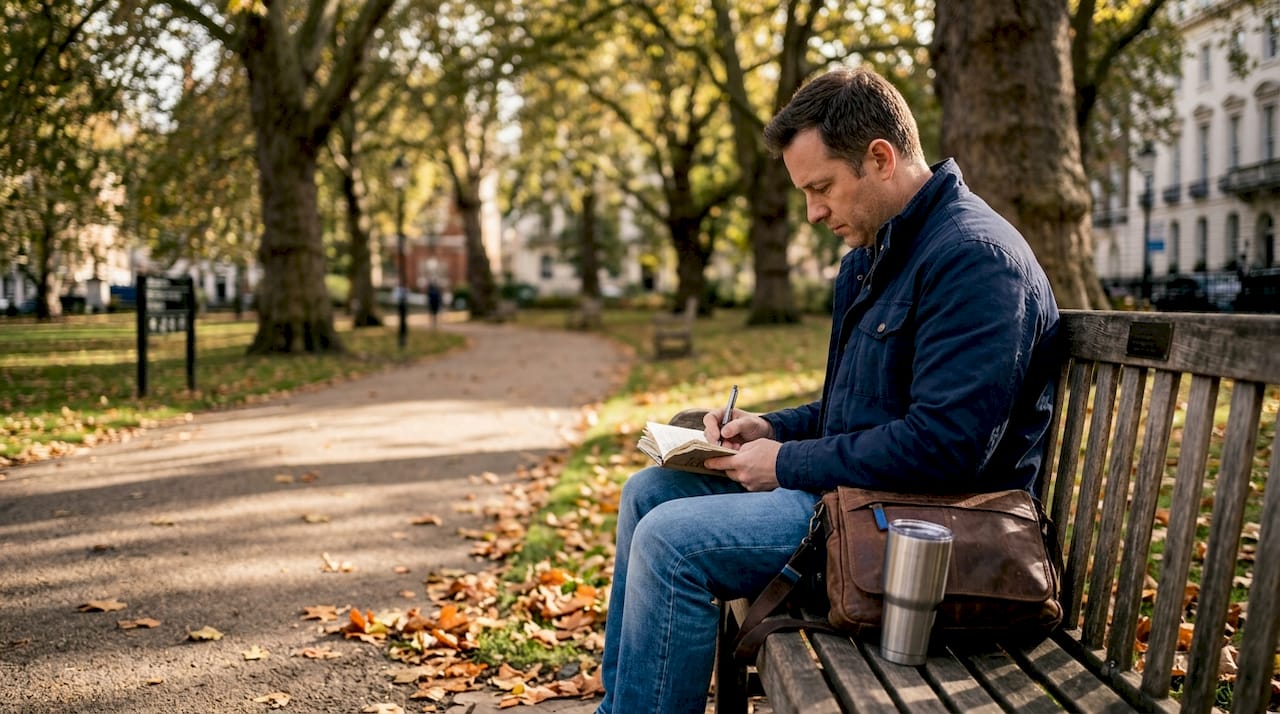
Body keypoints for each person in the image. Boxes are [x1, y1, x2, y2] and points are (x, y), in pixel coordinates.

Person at [594, 66, 1061, 714]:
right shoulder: (873, 257)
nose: (813, 212)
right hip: (857, 500)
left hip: (924, 532)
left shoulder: (975, 259)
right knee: (647, 493)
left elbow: (948, 449)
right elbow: (853, 412)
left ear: (879, 158)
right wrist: (773, 430)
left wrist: (785, 464)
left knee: (673, 543)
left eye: (822, 189)